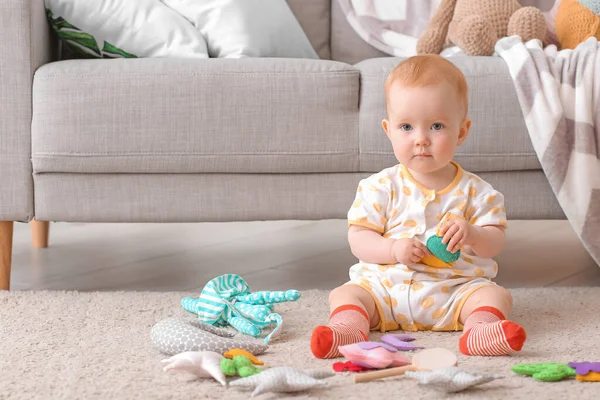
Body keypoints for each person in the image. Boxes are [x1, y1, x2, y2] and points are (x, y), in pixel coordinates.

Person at [310, 54, 526, 359]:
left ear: (461, 131)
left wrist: (473, 234)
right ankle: (348, 329)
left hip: (454, 290)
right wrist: (393, 249)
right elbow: (359, 239)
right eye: (407, 127)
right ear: (388, 130)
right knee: (345, 294)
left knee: (494, 295)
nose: (421, 139)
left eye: (436, 126)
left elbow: (494, 243)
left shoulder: (479, 192)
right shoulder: (379, 187)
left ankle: (479, 330)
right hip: (385, 289)